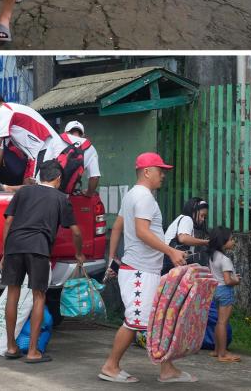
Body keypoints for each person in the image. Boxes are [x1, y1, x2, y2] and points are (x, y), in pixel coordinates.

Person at [100, 153, 192, 384]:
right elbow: (142, 232)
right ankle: (110, 366)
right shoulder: (144, 197)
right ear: (147, 171)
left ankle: (167, 369)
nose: (163, 175)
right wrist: (170, 251)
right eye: (160, 170)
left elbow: (119, 226)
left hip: (141, 268)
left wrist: (113, 258)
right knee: (135, 321)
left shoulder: (132, 195)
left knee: (153, 320)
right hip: (139, 271)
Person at [1, 160, 85, 363]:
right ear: (57, 179)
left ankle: (11, 347)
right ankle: (32, 351)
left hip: (14, 245)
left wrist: (5, 252)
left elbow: (9, 221)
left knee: (13, 293)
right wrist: (79, 253)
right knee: (39, 297)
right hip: (38, 248)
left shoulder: (23, 192)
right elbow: (75, 231)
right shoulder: (61, 198)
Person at [0, 93, 60, 188]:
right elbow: (1, 149)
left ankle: (6, 189)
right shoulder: (11, 112)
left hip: (45, 148)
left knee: (37, 189)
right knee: (28, 184)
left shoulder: (4, 110)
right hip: (38, 152)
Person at [208, 226, 242, 363]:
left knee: (218, 322)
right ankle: (223, 354)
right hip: (225, 291)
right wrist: (237, 280)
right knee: (223, 322)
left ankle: (217, 350)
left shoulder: (213, 256)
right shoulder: (225, 259)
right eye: (231, 239)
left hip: (216, 290)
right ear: (223, 242)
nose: (233, 241)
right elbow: (228, 281)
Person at [46, 120, 101, 195]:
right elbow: (94, 177)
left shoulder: (56, 140)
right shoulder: (90, 148)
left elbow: (45, 164)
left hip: (48, 190)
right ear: (83, 135)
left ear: (66, 132)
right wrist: (89, 193)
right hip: (66, 194)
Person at [162, 197, 210, 273]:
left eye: (205, 217)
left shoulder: (182, 219)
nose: (203, 219)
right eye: (201, 215)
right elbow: (183, 238)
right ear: (193, 211)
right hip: (170, 260)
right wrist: (206, 242)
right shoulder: (187, 219)